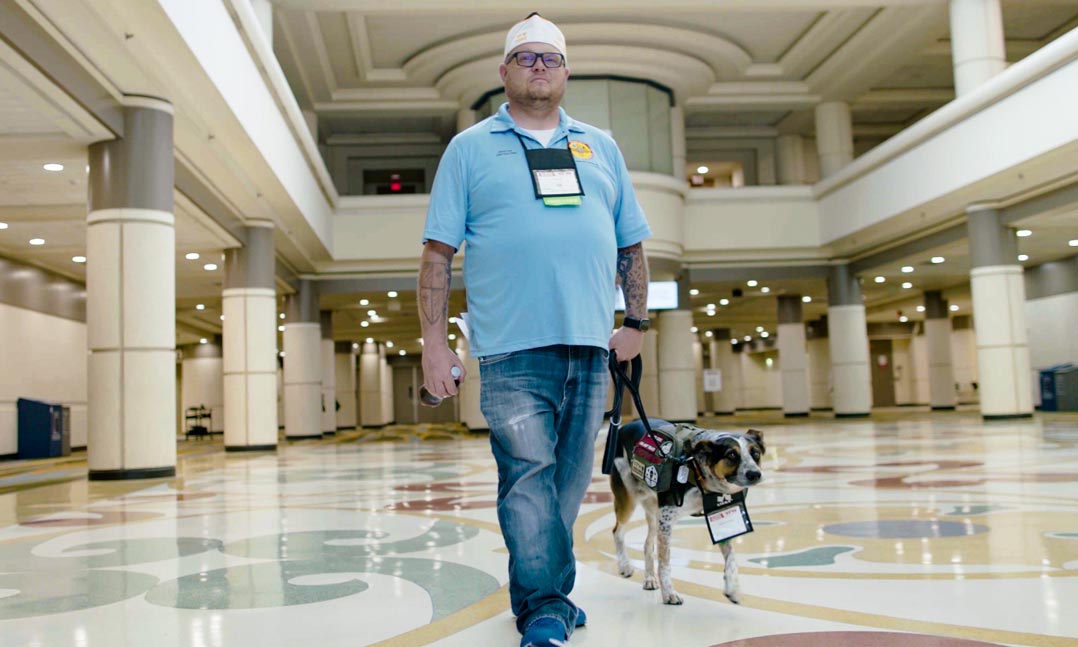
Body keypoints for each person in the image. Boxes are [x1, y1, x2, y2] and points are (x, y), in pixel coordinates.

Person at [418, 12, 651, 647]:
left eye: (550, 58)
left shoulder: (600, 146)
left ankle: (545, 595)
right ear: (504, 72)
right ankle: (546, 605)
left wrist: (635, 322)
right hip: (510, 348)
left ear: (567, 71)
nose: (539, 67)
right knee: (527, 476)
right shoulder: (470, 148)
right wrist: (433, 343)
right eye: (527, 58)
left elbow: (631, 242)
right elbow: (438, 252)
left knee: (570, 481)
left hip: (589, 345)